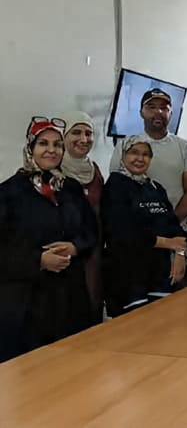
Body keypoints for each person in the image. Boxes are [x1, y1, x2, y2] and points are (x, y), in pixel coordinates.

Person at [0, 117, 96, 361]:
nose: (51, 150)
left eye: (57, 145)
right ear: (30, 148)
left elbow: (91, 231)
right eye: (43, 143)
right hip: (26, 304)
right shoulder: (9, 192)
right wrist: (38, 261)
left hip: (70, 300)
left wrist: (76, 247)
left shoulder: (71, 188)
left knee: (75, 368)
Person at [102, 136, 187, 316]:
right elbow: (123, 232)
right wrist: (168, 243)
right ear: (122, 155)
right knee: (136, 329)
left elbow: (173, 226)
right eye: (134, 152)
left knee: (163, 325)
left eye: (146, 154)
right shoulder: (115, 186)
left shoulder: (155, 187)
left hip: (160, 275)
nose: (140, 159)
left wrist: (180, 254)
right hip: (128, 277)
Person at [109, 88, 187, 224]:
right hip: (134, 228)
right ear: (141, 112)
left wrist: (170, 224)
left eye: (164, 108)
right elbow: (115, 188)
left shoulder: (185, 147)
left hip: (175, 227)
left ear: (171, 113)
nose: (158, 112)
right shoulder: (125, 145)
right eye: (151, 107)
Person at [61, 111, 105, 322]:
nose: (83, 139)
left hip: (93, 250)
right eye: (76, 132)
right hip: (66, 251)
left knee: (92, 302)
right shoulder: (54, 170)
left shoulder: (95, 171)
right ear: (64, 136)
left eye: (88, 133)